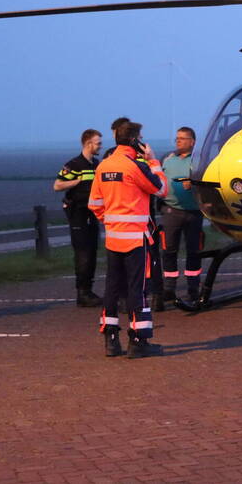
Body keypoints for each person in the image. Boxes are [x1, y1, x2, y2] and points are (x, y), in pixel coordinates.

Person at [88, 121, 168, 359]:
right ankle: (138, 341)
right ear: (135, 140)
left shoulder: (103, 166)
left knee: (112, 288)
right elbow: (161, 188)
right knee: (137, 289)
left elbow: (95, 205)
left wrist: (112, 223)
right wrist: (153, 161)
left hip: (113, 238)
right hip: (135, 239)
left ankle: (110, 340)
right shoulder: (135, 167)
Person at [53, 128, 103, 307]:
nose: (100, 146)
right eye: (98, 143)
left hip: (93, 212)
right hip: (78, 214)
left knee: (92, 251)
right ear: (88, 143)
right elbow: (57, 185)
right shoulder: (74, 164)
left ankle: (88, 290)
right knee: (83, 253)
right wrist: (77, 182)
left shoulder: (97, 164)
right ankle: (82, 293)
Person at [159, 127, 204, 304]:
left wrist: (192, 185)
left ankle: (193, 289)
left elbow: (206, 182)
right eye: (177, 138)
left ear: (192, 142)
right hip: (171, 211)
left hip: (193, 212)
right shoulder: (168, 160)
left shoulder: (199, 160)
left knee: (194, 251)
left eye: (183, 138)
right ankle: (169, 289)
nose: (178, 141)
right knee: (169, 250)